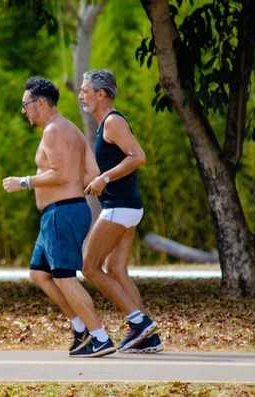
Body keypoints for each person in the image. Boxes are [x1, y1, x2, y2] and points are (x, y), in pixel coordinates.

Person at [3, 76, 116, 357]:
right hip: (66, 211)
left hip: (61, 213)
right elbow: (91, 174)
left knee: (64, 277)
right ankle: (80, 328)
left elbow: (62, 173)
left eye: (25, 105)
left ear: (41, 103)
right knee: (39, 274)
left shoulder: (54, 131)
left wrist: (25, 181)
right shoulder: (73, 130)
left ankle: (99, 337)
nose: (23, 111)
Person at [79, 69, 162, 353]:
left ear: (100, 94)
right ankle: (147, 337)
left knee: (89, 267)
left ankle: (138, 320)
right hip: (127, 206)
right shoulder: (106, 124)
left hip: (119, 207)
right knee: (116, 269)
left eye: (85, 91)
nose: (81, 96)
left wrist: (104, 178)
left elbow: (138, 156)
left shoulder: (113, 122)